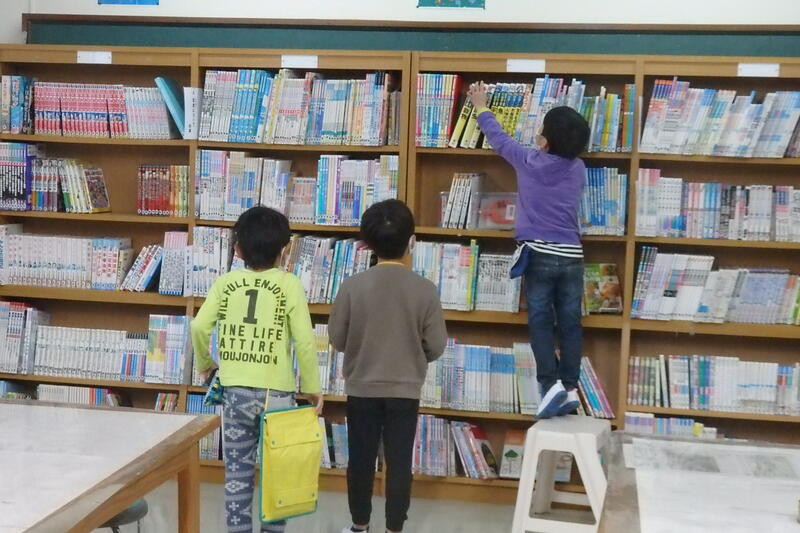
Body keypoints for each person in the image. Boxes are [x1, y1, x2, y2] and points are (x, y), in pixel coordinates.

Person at [191, 206, 323, 533]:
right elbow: (305, 342)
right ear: (285, 250)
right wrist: (311, 387)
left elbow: (199, 327)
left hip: (235, 391)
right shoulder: (289, 284)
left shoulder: (225, 283)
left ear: (237, 250)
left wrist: (206, 365)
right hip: (277, 394)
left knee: (237, 475)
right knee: (279, 476)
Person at [467, 82, 591, 419]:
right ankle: (570, 385)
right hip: (572, 256)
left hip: (538, 255)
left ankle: (549, 385)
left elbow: (499, 139)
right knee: (570, 322)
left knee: (540, 320)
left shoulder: (529, 160)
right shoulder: (578, 168)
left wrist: (481, 105)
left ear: (543, 141)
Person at [329, 199, 448, 533]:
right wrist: (412, 355)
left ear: (366, 244)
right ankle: (395, 527)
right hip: (405, 391)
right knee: (399, 463)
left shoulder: (351, 287)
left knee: (361, 460)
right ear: (412, 241)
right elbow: (436, 345)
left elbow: (337, 338)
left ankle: (359, 525)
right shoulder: (425, 290)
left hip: (361, 390)